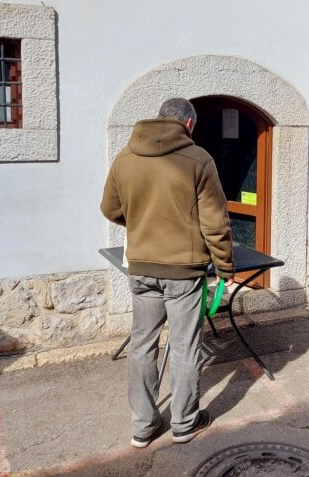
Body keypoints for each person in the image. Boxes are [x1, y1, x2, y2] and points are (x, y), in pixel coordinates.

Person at [100, 98, 235, 448]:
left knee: (143, 344)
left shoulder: (125, 158)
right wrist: (225, 266)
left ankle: (143, 427)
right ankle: (184, 423)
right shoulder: (198, 160)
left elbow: (110, 209)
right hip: (184, 270)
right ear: (188, 124)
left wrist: (142, 222)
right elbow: (215, 222)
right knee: (185, 345)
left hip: (141, 266)